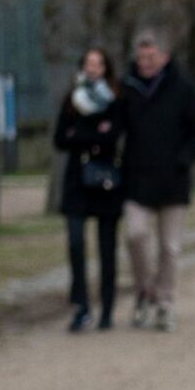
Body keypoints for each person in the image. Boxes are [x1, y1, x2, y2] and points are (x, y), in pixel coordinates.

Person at [120, 25, 195, 330]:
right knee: (135, 235)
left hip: (173, 180)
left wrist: (184, 159)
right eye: (141, 57)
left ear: (164, 56)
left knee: (170, 247)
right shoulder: (128, 88)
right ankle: (145, 290)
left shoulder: (182, 88)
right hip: (137, 179)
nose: (145, 63)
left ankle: (165, 303)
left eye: (151, 57)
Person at [54, 46, 124, 332]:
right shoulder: (72, 100)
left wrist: (81, 136)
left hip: (105, 181)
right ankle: (81, 304)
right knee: (75, 243)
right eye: (88, 63)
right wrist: (94, 136)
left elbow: (112, 138)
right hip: (76, 182)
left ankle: (107, 306)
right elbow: (60, 139)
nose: (93, 68)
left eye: (98, 64)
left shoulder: (116, 100)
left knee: (107, 247)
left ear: (106, 68)